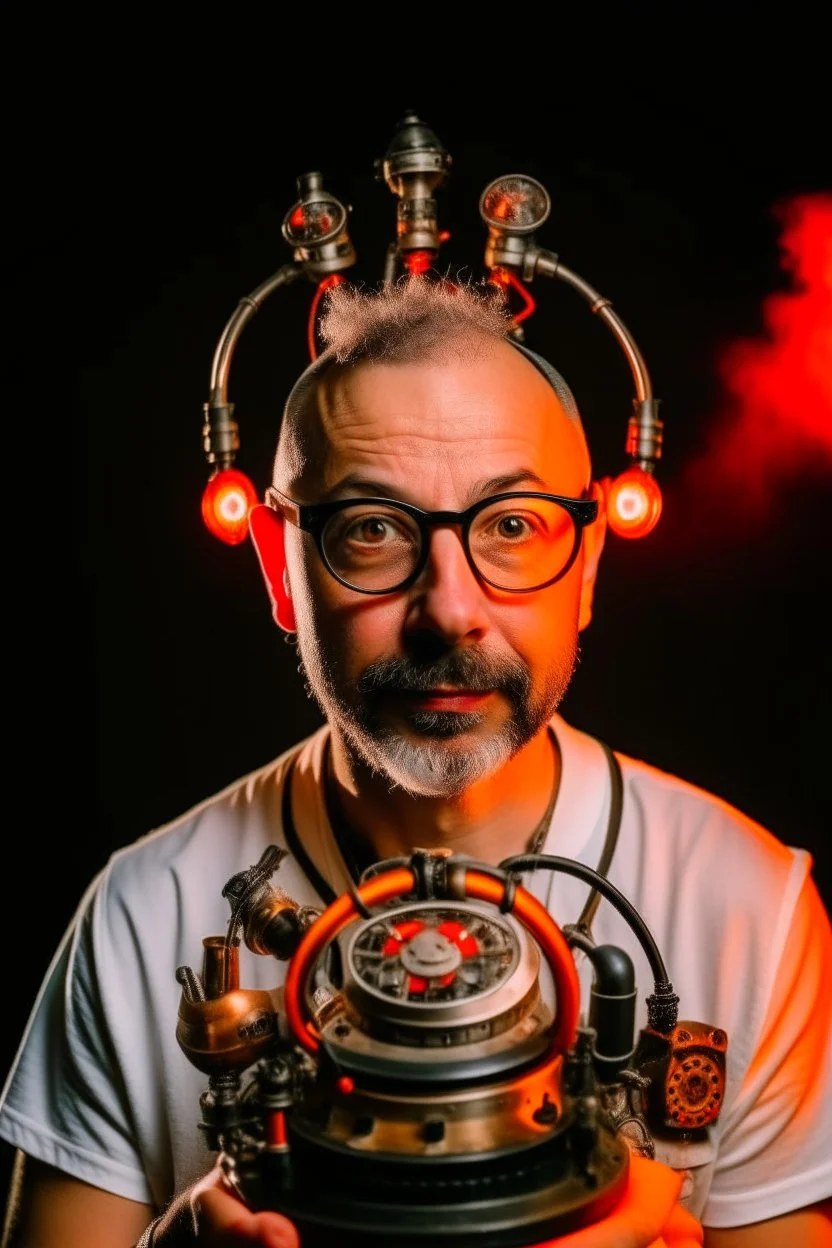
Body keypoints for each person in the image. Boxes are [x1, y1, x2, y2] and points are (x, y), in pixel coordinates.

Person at [1, 277, 831, 1248]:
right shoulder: (139, 921)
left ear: (590, 564)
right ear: (279, 568)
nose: (448, 610)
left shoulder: (749, 910)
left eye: (513, 525)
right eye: (372, 529)